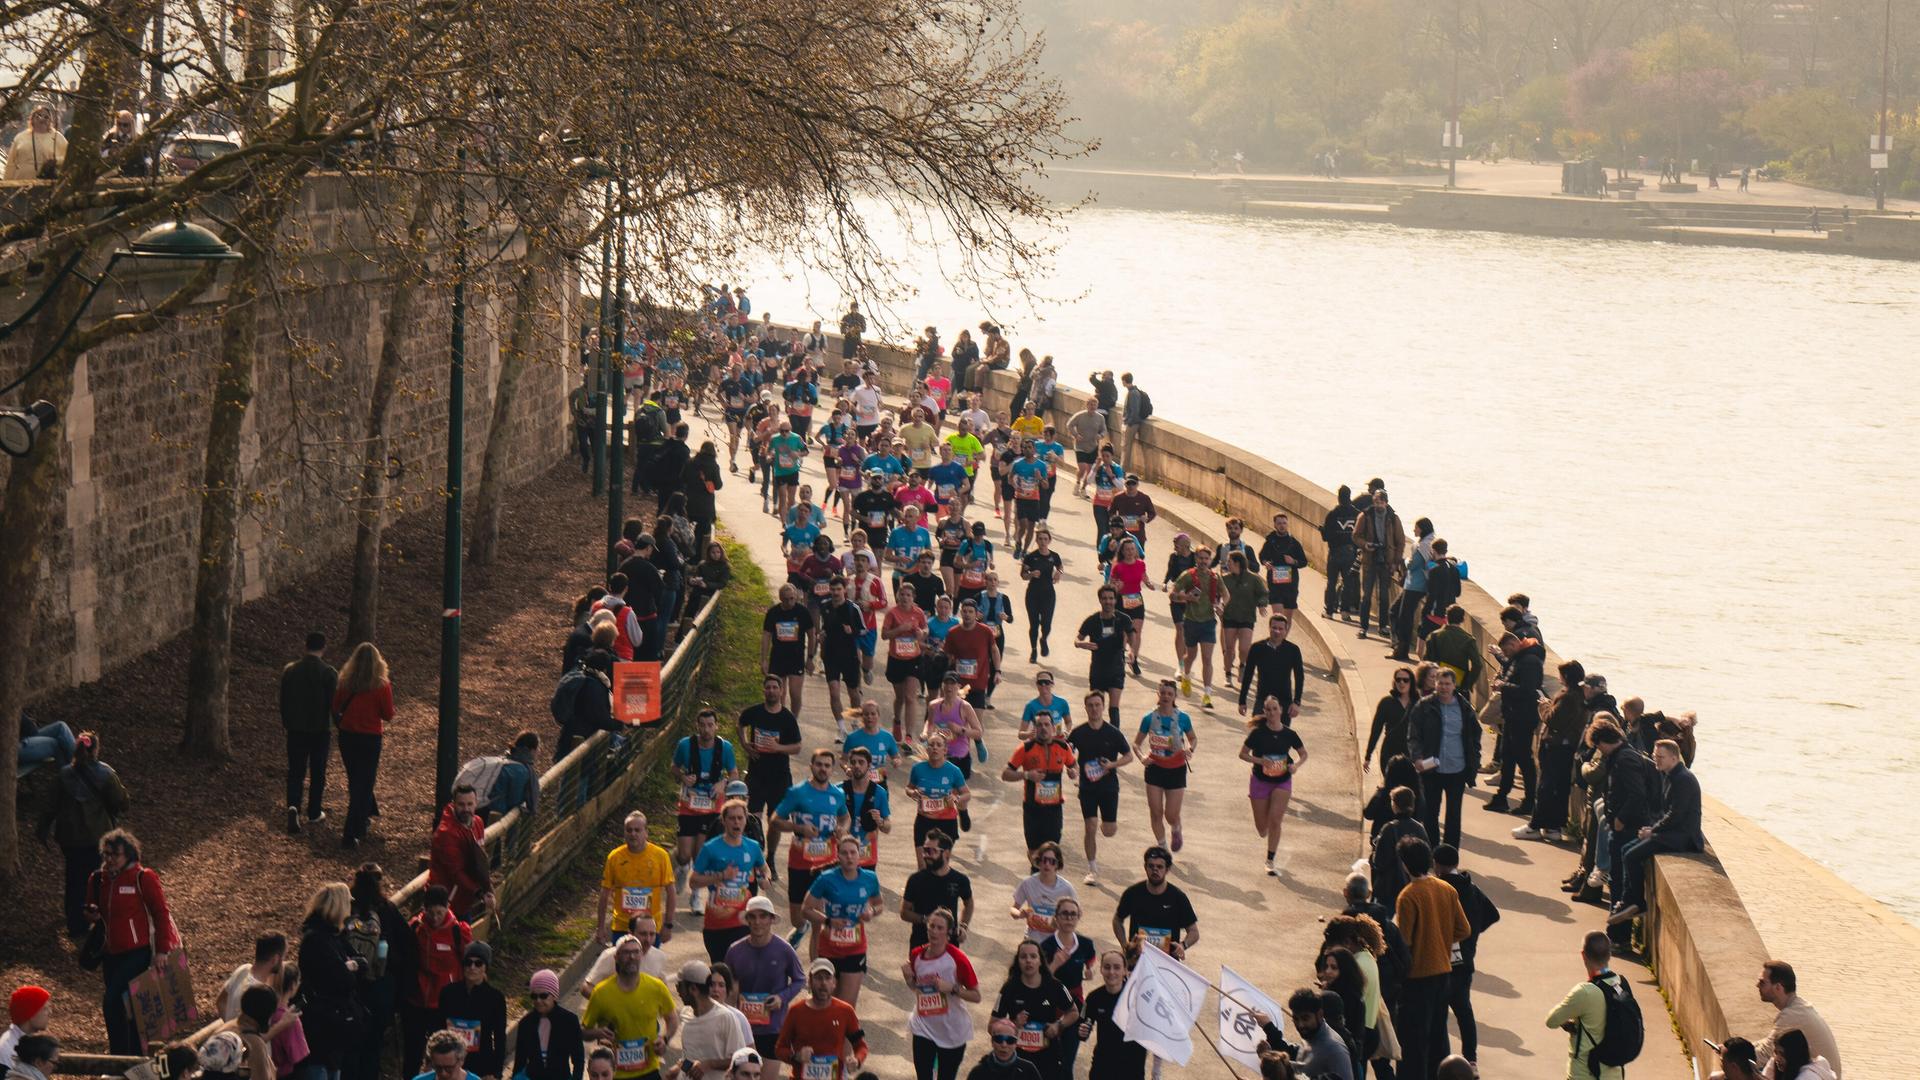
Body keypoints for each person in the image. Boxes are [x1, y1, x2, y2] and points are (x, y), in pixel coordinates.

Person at [83, 828, 178, 1054]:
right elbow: (90, 907)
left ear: (129, 855)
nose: (109, 859)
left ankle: (123, 1054)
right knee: (126, 1006)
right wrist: (92, 914)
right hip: (110, 952)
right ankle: (130, 1054)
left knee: (112, 1000)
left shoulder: (142, 877)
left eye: (115, 854)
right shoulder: (97, 879)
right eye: (106, 854)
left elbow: (161, 913)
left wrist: (162, 951)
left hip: (138, 952)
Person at [36, 731, 128, 938]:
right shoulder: (106, 774)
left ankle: (75, 924)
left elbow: (50, 806)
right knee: (99, 879)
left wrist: (42, 830)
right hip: (98, 838)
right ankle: (100, 921)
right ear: (95, 749)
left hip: (70, 839)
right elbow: (122, 802)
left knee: (75, 879)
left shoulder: (63, 775)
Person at [1393, 836, 1470, 1079]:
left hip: (1416, 978)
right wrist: (1440, 939)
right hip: (1443, 974)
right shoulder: (1446, 888)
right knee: (1438, 1035)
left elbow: (1404, 942)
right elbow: (1464, 929)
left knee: (1413, 1040)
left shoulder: (1408, 896)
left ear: (1405, 864)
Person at [1609, 739, 1703, 925]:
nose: (1656, 760)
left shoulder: (1682, 779)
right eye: (1654, 756)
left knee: (1632, 855)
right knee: (1626, 849)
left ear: (1674, 758)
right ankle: (1631, 900)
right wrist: (1652, 828)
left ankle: (1635, 901)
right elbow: (1667, 812)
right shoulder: (1671, 775)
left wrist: (1653, 830)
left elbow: (1676, 815)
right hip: (1672, 832)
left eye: (1660, 757)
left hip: (1683, 837)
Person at [346, 862, 415, 1080]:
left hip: (351, 988)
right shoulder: (386, 909)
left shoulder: (347, 909)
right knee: (373, 1045)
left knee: (350, 1048)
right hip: (380, 986)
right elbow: (408, 945)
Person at [1435, 844, 1500, 1070]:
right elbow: (1493, 914)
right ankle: (1470, 1060)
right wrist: (1471, 936)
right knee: (1464, 1012)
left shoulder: (1441, 889)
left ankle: (1442, 1061)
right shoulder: (1470, 887)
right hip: (1466, 961)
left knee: (1439, 1012)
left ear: (1438, 866)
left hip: (1443, 962)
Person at [581, 934, 679, 1080]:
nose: (632, 957)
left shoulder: (656, 987)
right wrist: (598, 1032)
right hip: (615, 1073)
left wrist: (664, 1039)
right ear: (616, 957)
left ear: (641, 956)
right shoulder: (601, 992)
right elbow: (583, 1032)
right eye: (626, 953)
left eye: (636, 952)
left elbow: (672, 1019)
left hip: (649, 1070)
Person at [802, 835, 883, 1005]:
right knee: (825, 1003)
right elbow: (806, 909)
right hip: (828, 949)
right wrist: (828, 921)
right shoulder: (826, 879)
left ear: (859, 855)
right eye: (845, 853)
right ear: (838, 856)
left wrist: (872, 912)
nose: (849, 857)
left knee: (846, 1006)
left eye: (853, 852)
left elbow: (878, 904)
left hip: (855, 949)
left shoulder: (869, 878)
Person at [1517, 659, 1591, 843]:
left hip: (1555, 747)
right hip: (1567, 747)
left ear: (1565, 676)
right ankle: (1553, 827)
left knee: (1546, 788)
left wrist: (1544, 705)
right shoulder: (1581, 696)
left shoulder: (1568, 697)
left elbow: (1552, 719)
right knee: (1560, 788)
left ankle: (1535, 826)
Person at [724, 897, 807, 1062]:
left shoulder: (784, 950)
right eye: (752, 917)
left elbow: (800, 979)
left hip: (773, 1028)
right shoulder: (734, 951)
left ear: (771, 920)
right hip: (743, 1027)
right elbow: (726, 985)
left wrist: (781, 998)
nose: (757, 922)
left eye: (763, 916)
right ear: (747, 920)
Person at [1407, 666, 1481, 850]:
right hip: (1432, 770)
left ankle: (1449, 854)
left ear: (1454, 685)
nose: (1443, 688)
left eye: (1448, 684)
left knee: (1454, 815)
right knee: (1431, 813)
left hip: (1457, 769)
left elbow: (1475, 735)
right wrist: (1417, 757)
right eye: (1440, 683)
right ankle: (1432, 849)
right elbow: (1413, 735)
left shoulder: (1464, 708)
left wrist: (1475, 758)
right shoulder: (1424, 706)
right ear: (1435, 684)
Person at [298, 883, 367, 1078]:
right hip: (322, 1023)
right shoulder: (317, 939)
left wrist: (351, 966)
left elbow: (362, 964)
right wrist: (350, 967)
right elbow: (342, 978)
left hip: (334, 1026)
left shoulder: (335, 936)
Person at [691, 798, 770, 962]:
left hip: (742, 921)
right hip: (716, 922)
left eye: (740, 818)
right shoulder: (710, 848)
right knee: (721, 972)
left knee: (740, 970)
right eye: (732, 818)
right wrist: (720, 876)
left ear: (745, 820)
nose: (736, 822)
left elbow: (764, 868)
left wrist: (765, 879)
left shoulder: (753, 846)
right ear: (724, 821)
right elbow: (693, 881)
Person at [404, 886, 472, 1077]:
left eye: (439, 912)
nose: (435, 917)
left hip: (443, 1002)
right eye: (431, 912)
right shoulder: (416, 927)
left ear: (447, 908)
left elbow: (468, 962)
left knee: (441, 1055)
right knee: (413, 1051)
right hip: (417, 998)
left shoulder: (458, 931)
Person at [1544, 931, 1631, 1080]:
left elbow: (1552, 1020)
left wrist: (1568, 1024)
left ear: (1583, 956)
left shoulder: (1585, 992)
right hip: (1615, 1074)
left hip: (1585, 1073)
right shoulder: (1621, 984)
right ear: (1609, 955)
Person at [333, 642, 394, 849]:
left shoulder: (345, 682)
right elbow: (388, 714)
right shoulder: (381, 685)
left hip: (347, 737)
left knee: (355, 779)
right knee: (364, 783)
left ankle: (366, 813)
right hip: (369, 739)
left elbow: (335, 706)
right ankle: (352, 831)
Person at [278, 631, 338, 834]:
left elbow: (284, 700)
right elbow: (334, 703)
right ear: (324, 647)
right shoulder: (329, 673)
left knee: (295, 770)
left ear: (305, 646)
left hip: (296, 729)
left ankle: (293, 805)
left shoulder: (291, 671)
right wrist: (337, 723)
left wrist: (287, 722)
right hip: (320, 729)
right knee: (318, 771)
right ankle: (314, 811)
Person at [1242, 693, 1308, 875]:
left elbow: (1304, 754)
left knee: (1275, 820)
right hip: (1260, 781)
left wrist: (1296, 766)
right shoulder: (1258, 733)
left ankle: (1270, 859)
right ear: (1264, 712)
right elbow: (1243, 754)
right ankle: (1268, 830)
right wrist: (1260, 761)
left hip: (1282, 780)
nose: (1271, 712)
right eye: (1268, 709)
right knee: (1262, 829)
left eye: (1275, 709)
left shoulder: (1289, 734)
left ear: (1280, 711)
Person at [774, 959, 867, 1080]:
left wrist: (857, 1060)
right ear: (810, 981)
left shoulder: (845, 1011)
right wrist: (796, 1056)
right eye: (818, 978)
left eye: (827, 978)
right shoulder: (796, 1011)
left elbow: (861, 1046)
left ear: (834, 982)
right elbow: (780, 1049)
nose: (823, 983)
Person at [739, 676, 804, 849]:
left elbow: (797, 747)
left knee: (775, 822)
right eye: (768, 687)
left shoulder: (787, 718)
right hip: (756, 775)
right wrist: (745, 744)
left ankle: (771, 859)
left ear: (782, 691)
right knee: (754, 819)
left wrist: (778, 748)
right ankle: (757, 858)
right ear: (764, 690)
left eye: (775, 687)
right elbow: (740, 722)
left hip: (779, 777)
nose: (771, 691)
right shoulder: (755, 712)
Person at [1133, 679, 1196, 851]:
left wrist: (1190, 749)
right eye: (1163, 693)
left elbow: (1193, 738)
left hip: (1176, 769)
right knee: (1155, 812)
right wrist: (1141, 757)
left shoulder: (1183, 718)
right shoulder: (1149, 718)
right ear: (1158, 694)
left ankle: (1176, 827)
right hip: (1154, 768)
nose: (1166, 696)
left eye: (1170, 693)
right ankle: (1163, 848)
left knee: (1171, 815)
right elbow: (1136, 743)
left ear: (1175, 696)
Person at [597, 811, 676, 948]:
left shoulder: (660, 856)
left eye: (637, 830)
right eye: (629, 830)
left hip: (650, 929)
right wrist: (601, 927)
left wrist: (668, 925)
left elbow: (671, 892)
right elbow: (604, 894)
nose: (633, 834)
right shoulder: (615, 857)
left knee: (649, 968)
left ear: (646, 832)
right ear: (624, 833)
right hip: (622, 927)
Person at [1003, 719, 1076, 869]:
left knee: (1051, 853)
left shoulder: (1063, 747)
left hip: (1054, 809)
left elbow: (1073, 765)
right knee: (1036, 855)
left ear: (1052, 728)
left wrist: (1073, 772)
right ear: (1035, 728)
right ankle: (1036, 878)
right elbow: (1005, 774)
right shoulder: (1025, 748)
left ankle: (1047, 886)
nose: (1043, 728)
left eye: (1046, 724)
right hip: (1032, 809)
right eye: (1039, 725)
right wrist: (1027, 775)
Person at [1486, 631, 1545, 815]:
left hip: (1523, 717)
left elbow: (1528, 690)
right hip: (1513, 715)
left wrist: (1504, 686)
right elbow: (1512, 673)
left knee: (1524, 759)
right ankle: (1501, 797)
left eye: (1506, 650)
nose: (1507, 654)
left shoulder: (1530, 662)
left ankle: (1529, 801)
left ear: (1514, 644)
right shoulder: (1520, 658)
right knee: (1508, 756)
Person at [1751, 961, 1842, 1077]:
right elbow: (1768, 1042)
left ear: (1778, 987)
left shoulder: (1792, 1015)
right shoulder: (1798, 1007)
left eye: (1762, 982)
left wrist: (1731, 1054)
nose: (1757, 985)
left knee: (1746, 1068)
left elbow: (1765, 1054)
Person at [1113, 846, 1198, 958]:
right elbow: (1117, 920)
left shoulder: (1178, 897)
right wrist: (1125, 946)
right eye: (1151, 866)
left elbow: (1194, 932)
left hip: (1166, 962)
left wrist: (1183, 945)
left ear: (1167, 870)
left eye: (1159, 867)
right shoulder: (1133, 894)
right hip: (1138, 960)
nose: (1155, 870)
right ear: (1145, 867)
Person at [439, 941, 507, 1080]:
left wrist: (496, 1072)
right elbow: (438, 1029)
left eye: (478, 963)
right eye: (468, 963)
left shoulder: (495, 998)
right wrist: (433, 1062)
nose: (472, 967)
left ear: (485, 967)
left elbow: (500, 1038)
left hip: (481, 1066)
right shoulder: (448, 993)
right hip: (450, 1064)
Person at [673, 959, 751, 1078]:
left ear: (693, 989)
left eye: (680, 986)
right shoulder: (686, 1014)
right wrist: (679, 1068)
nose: (677, 990)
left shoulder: (725, 1017)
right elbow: (690, 1055)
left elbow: (741, 1059)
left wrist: (710, 1064)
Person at [901, 827, 975, 951]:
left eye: (932, 851)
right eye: (925, 850)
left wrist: (963, 926)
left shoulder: (960, 880)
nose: (926, 855)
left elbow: (969, 904)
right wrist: (925, 919)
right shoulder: (916, 880)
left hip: (949, 947)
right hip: (920, 946)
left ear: (946, 853)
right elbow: (904, 912)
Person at [1259, 988, 1354, 1080]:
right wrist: (1271, 1053)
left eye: (1305, 1018)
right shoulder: (1311, 1035)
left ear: (1320, 1015)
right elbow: (1299, 1061)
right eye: (1296, 1019)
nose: (1300, 1025)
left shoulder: (1334, 1050)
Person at [1170, 544, 1223, 707]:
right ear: (1196, 558)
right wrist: (1186, 597)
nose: (1203, 561)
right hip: (1191, 621)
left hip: (1208, 622)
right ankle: (1186, 675)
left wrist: (1221, 606)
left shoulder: (1215, 577)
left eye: (1206, 558)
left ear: (1210, 560)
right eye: (1200, 558)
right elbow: (1172, 595)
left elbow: (1226, 595)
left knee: (1207, 658)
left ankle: (1207, 694)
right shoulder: (1188, 575)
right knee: (1191, 656)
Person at [429, 786, 493, 922]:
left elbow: (480, 858)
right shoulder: (446, 834)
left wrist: (487, 887)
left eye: (470, 804)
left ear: (476, 803)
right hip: (447, 902)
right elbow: (456, 873)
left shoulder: (478, 823)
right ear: (454, 804)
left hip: (465, 896)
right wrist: (480, 892)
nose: (466, 809)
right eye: (461, 804)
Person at [1350, 489, 1405, 641]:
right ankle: (1363, 627)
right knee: (1366, 596)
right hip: (1369, 560)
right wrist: (1365, 545)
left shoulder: (1393, 518)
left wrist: (1396, 562)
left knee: (1384, 597)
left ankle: (1382, 627)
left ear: (1386, 503)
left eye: (1381, 502)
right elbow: (1355, 535)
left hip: (1386, 562)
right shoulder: (1365, 516)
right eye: (1376, 502)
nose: (1378, 505)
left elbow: (1400, 542)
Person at [510, 969, 585, 1080]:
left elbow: (578, 1058)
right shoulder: (526, 1024)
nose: (538, 1000)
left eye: (543, 996)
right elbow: (520, 1061)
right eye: (534, 996)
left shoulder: (569, 1021)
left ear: (554, 995)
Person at [1075, 586, 1133, 727]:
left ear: (1115, 600)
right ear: (1100, 600)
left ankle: (1116, 742)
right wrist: (1081, 644)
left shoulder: (1123, 619)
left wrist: (1133, 652)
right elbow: (1077, 639)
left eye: (1111, 598)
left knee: (1114, 709)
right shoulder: (1092, 620)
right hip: (1098, 670)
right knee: (1096, 707)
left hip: (1116, 669)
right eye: (1105, 598)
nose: (1108, 601)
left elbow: (1132, 636)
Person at [906, 732, 970, 848]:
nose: (934, 747)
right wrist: (912, 793)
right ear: (927, 749)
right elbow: (909, 788)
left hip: (947, 820)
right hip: (924, 819)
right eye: (931, 744)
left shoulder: (954, 771)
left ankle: (963, 810)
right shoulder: (918, 769)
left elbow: (967, 794)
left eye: (938, 745)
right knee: (923, 865)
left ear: (945, 750)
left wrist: (956, 799)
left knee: (940, 863)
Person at [1239, 613, 1304, 719]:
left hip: (1284, 701)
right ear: (1269, 628)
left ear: (1286, 630)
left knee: (1281, 734)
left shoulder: (1293, 650)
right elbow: (1248, 674)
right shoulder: (1257, 648)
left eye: (1280, 629)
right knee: (1259, 733)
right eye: (1274, 628)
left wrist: (1296, 702)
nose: (1277, 631)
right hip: (1262, 700)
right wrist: (1242, 701)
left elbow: (1299, 677)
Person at [1364, 667, 1416, 776]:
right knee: (1391, 787)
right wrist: (1368, 756)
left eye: (1405, 680)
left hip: (1410, 754)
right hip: (1389, 753)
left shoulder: (1419, 704)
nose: (1401, 683)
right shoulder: (1386, 703)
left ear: (1412, 682)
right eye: (1398, 680)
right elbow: (1376, 730)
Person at [1420, 605, 1481, 696]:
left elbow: (1426, 661)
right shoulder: (1469, 639)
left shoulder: (1434, 636)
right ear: (1463, 620)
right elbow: (1477, 664)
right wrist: (1468, 684)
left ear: (1446, 617)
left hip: (1436, 682)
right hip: (1458, 683)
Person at [4, 106, 66, 181]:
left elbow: (69, 158)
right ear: (32, 119)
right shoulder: (20, 137)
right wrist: (6, 183)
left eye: (46, 117)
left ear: (50, 121)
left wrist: (56, 161)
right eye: (39, 115)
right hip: (20, 181)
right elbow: (11, 164)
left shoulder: (57, 137)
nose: (42, 119)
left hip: (47, 183)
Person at [1, 988, 50, 1073]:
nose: (50, 1012)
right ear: (30, 1013)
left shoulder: (26, 1042)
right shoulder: (8, 1051)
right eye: (45, 1008)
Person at [1117, 373, 1149, 471]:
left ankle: (1123, 470)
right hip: (1130, 423)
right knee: (1125, 447)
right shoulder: (1131, 391)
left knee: (1126, 448)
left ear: (1124, 381)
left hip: (1131, 424)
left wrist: (1128, 422)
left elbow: (1135, 410)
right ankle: (1123, 469)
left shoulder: (1133, 393)